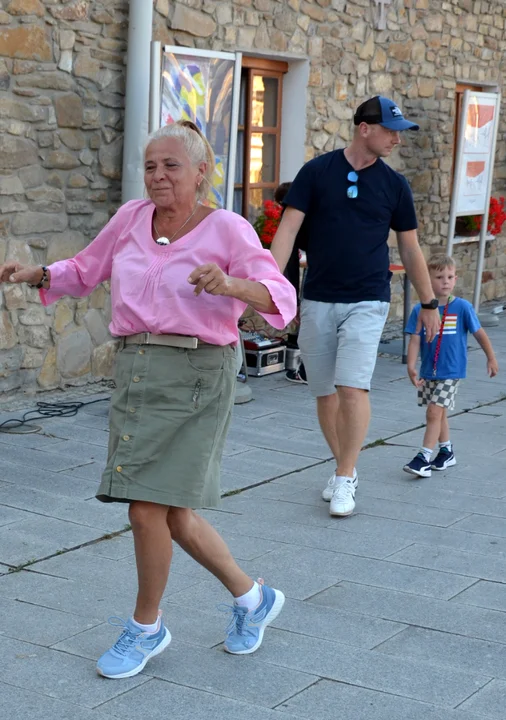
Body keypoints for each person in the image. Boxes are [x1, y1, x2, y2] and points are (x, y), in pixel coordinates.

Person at [0, 120, 296, 679]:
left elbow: (279, 296)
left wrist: (230, 284)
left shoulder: (228, 228)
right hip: (137, 371)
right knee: (173, 513)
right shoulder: (132, 218)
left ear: (201, 172)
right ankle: (253, 599)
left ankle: (146, 627)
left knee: (145, 508)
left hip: (198, 374)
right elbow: (85, 269)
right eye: (151, 166)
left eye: (171, 166)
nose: (158, 175)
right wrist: (37, 274)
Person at [270, 95, 441, 518]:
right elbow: (287, 231)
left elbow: (410, 247)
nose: (397, 140)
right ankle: (343, 465)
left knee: (351, 387)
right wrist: (270, 287)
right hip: (319, 297)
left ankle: (346, 475)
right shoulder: (316, 172)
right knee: (324, 392)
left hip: (368, 298)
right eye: (391, 131)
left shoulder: (395, 186)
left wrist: (429, 302)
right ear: (364, 129)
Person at [403, 254, 498, 477]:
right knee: (439, 413)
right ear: (428, 280)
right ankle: (446, 452)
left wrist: (491, 357)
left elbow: (479, 333)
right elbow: (415, 338)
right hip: (429, 370)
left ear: (455, 279)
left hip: (451, 371)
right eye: (439, 277)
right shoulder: (420, 310)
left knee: (434, 412)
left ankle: (423, 458)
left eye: (449, 276)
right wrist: (411, 365)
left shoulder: (462, 307)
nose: (445, 281)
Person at [274, 181, 307, 384]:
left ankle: (306, 371)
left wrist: (293, 300)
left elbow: (291, 264)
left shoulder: (293, 215)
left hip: (319, 272)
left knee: (311, 320)